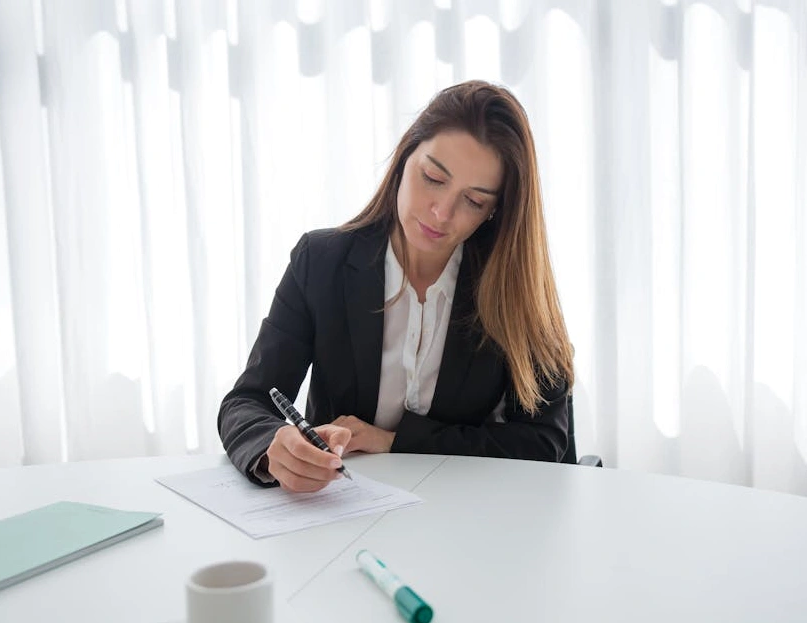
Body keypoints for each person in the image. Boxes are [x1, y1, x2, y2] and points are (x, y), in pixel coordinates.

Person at [218, 80, 575, 492]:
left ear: (495, 211)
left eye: (474, 201)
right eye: (433, 178)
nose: (441, 213)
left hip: (466, 508)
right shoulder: (321, 263)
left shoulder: (513, 286)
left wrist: (394, 441)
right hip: (341, 506)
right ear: (405, 158)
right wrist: (273, 447)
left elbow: (543, 442)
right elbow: (246, 402)